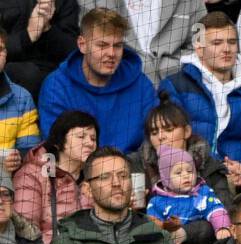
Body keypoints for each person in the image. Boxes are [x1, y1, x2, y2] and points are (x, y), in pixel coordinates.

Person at [157, 11, 241, 187]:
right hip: (193, 182)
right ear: (199, 47)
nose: (226, 49)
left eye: (232, 42)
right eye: (217, 43)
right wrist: (216, 169)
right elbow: (169, 141)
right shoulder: (175, 86)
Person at [49, 146, 177, 244]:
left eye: (123, 176)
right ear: (87, 190)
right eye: (105, 177)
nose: (116, 183)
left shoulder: (161, 239)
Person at [38, 8, 158, 153]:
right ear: (82, 45)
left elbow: (155, 138)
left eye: (118, 46)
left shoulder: (141, 84)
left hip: (131, 169)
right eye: (102, 45)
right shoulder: (56, 86)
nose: (111, 54)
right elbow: (57, 146)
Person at [13, 108, 95, 244]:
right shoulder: (32, 175)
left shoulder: (96, 179)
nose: (90, 143)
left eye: (93, 138)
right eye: (81, 137)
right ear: (58, 142)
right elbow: (24, 231)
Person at [145, 144, 232, 244]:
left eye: (190, 170)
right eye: (178, 173)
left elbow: (216, 209)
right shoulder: (157, 202)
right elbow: (154, 227)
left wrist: (222, 227)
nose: (186, 175)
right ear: (166, 179)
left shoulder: (203, 192)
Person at [99, 0, 204, 85]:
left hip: (178, 85)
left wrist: (171, 64)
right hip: (121, 84)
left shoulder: (191, 2)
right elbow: (91, 46)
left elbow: (202, 46)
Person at [0, 0, 79, 95]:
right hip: (8, 67)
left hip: (49, 73)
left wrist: (47, 28)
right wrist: (28, 35)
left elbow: (72, 52)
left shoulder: (67, 3)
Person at [0, 28, 39, 170]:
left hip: (8, 184)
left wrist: (19, 159)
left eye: (0, 49)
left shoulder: (22, 97)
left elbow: (30, 150)